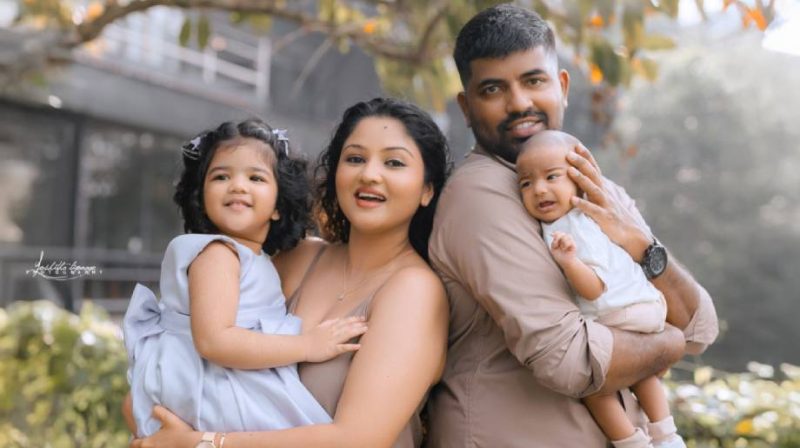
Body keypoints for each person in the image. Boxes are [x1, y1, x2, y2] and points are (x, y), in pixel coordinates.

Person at [425, 4, 719, 447]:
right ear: (466, 107)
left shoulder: (592, 186)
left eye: (533, 81)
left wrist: (642, 245)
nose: (519, 103)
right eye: (493, 89)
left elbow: (701, 327)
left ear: (561, 87)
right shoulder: (481, 194)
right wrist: (667, 341)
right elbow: (568, 361)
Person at [129, 97, 451, 447]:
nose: (369, 174)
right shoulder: (299, 258)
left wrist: (202, 443)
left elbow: (358, 440)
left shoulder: (414, 291)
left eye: (394, 162)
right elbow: (185, 355)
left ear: (427, 190)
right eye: (355, 159)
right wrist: (146, 416)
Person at [123, 119, 371, 438]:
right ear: (202, 197)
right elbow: (215, 341)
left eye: (255, 177)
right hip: (212, 381)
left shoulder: (254, 257)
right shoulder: (218, 254)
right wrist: (307, 345)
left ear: (278, 205)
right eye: (221, 176)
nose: (237, 186)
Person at [517, 130, 684, 448]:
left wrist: (569, 263)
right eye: (526, 183)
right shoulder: (587, 217)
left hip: (617, 310)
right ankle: (668, 437)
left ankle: (631, 443)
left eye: (552, 177)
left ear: (579, 180)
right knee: (642, 373)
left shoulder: (569, 228)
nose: (539, 189)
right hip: (642, 304)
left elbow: (593, 288)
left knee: (593, 385)